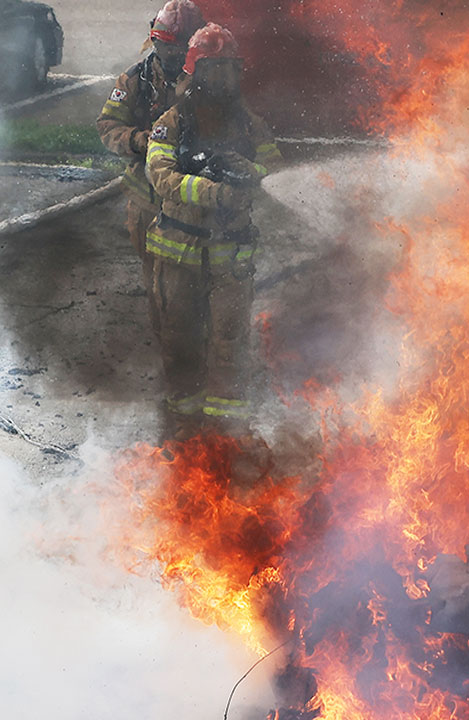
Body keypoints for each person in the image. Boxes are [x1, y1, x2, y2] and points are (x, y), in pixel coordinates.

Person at [144, 23, 283, 439]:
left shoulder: (249, 125)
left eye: (229, 69)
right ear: (196, 72)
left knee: (229, 345)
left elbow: (276, 170)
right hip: (178, 254)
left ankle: (225, 434)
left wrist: (250, 172)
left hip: (231, 261)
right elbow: (161, 176)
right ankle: (183, 428)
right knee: (179, 341)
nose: (224, 79)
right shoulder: (171, 122)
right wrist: (213, 192)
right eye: (215, 69)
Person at [97, 0, 205, 332]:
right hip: (146, 201)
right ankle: (169, 346)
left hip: (193, 200)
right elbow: (107, 127)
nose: (166, 54)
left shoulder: (209, 78)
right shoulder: (135, 80)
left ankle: (197, 341)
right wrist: (141, 140)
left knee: (198, 278)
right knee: (157, 281)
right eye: (161, 44)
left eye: (174, 47)